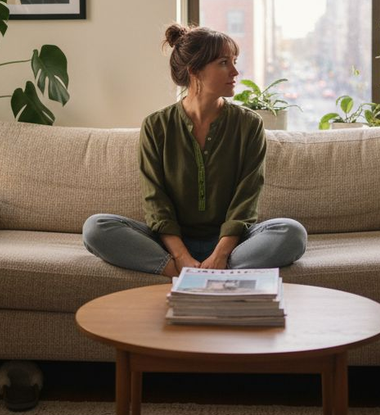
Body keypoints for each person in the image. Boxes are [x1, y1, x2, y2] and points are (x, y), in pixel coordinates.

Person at [82, 23, 307, 277]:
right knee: (95, 227)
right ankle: (186, 273)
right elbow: (155, 200)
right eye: (224, 62)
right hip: (169, 245)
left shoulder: (248, 124)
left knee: (292, 232)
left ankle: (213, 271)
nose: (235, 71)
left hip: (233, 245)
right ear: (195, 71)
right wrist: (180, 256)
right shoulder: (157, 126)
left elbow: (247, 198)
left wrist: (221, 254)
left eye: (234, 61)